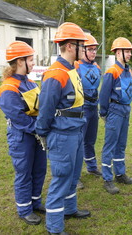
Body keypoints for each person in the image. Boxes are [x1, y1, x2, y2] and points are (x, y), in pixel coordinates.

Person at [35, 22, 91, 235]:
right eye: (80, 45)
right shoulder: (55, 74)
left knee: (73, 175)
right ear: (70, 46)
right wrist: (42, 132)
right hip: (62, 135)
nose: (83, 49)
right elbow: (46, 108)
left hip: (75, 132)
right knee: (61, 178)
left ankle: (69, 209)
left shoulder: (71, 69)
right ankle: (55, 228)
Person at [0, 41, 47, 225]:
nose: (33, 63)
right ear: (19, 62)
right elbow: (19, 117)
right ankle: (25, 209)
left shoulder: (30, 82)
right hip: (22, 136)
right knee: (24, 172)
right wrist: (40, 129)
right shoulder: (8, 88)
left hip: (35, 134)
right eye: (31, 60)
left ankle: (35, 202)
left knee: (39, 169)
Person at [99, 37, 132, 195]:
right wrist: (104, 113)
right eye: (126, 51)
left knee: (121, 144)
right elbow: (103, 94)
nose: (129, 54)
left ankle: (120, 174)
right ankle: (107, 179)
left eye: (130, 51)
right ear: (117, 52)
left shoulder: (128, 71)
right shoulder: (111, 72)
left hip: (126, 110)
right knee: (110, 145)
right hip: (115, 110)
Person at [75, 33, 102, 189]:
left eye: (94, 49)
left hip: (93, 108)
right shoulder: (76, 67)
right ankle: (75, 176)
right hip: (82, 109)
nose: (93, 52)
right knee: (78, 143)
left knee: (90, 140)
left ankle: (91, 167)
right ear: (83, 50)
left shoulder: (97, 67)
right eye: (90, 49)